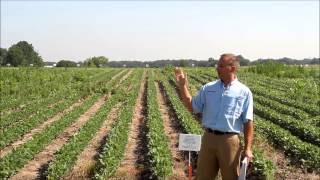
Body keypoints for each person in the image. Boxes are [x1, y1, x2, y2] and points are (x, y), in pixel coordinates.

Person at [175, 54, 253, 180]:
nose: (217, 68)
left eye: (221, 66)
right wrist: (183, 86)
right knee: (202, 177)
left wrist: (248, 148)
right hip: (208, 138)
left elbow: (248, 121)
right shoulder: (208, 88)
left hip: (230, 141)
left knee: (231, 177)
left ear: (232, 68)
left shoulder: (244, 92)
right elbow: (192, 107)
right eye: (217, 65)